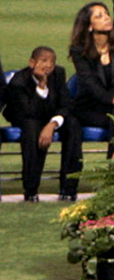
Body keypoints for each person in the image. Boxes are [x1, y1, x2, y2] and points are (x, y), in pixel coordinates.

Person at [5, 46, 76, 202]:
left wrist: (52, 124)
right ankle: (31, 189)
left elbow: (66, 104)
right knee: (32, 128)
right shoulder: (19, 81)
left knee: (73, 125)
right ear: (32, 63)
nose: (48, 65)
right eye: (44, 61)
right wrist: (42, 86)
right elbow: (30, 111)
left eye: (52, 62)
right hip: (25, 117)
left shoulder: (58, 74)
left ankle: (69, 187)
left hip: (49, 116)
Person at [69, 2, 114, 163]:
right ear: (89, 26)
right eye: (99, 16)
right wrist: (113, 99)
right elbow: (89, 83)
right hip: (90, 106)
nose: (107, 18)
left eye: (107, 14)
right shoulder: (79, 51)